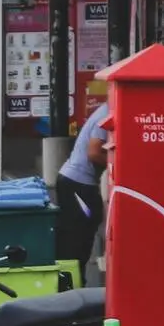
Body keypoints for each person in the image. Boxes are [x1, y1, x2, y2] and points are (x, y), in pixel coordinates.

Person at [57, 100, 112, 267]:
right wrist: (119, 165)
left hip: (78, 182)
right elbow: (94, 152)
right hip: (77, 183)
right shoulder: (106, 114)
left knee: (82, 230)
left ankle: (73, 279)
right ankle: (71, 283)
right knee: (77, 238)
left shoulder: (106, 111)